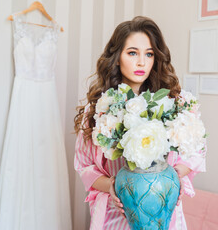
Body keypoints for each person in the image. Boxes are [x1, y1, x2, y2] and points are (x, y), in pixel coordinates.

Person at [74, 16, 206, 230]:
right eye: (132, 53)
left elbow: (197, 150)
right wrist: (111, 186)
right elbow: (84, 165)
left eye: (149, 54)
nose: (141, 62)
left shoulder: (175, 103)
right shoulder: (98, 109)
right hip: (116, 215)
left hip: (164, 214)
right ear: (117, 57)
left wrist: (174, 177)